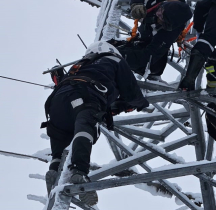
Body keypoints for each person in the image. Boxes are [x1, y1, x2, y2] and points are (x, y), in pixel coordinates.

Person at [42, 41, 149, 205]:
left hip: (56, 102)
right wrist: (141, 103)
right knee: (85, 127)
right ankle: (79, 171)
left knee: (60, 135)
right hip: (85, 94)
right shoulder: (114, 59)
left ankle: (55, 168)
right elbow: (131, 92)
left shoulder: (80, 65)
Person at [113, 0, 192, 79]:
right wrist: (137, 3)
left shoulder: (170, 33)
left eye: (161, 20)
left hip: (151, 38)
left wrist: (118, 55)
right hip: (147, 21)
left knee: (152, 64)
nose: (157, 17)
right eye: (159, 14)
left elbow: (149, 56)